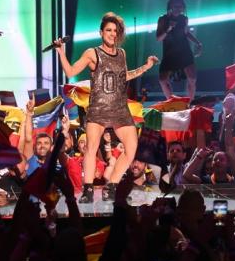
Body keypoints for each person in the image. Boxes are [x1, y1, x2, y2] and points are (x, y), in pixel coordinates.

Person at [55, 12, 158, 203]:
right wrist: (61, 52)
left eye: (115, 31)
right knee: (91, 148)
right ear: (101, 32)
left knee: (131, 148)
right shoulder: (92, 53)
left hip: (119, 109)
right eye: (108, 30)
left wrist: (145, 67)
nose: (112, 34)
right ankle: (87, 190)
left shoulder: (122, 53)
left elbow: (124, 77)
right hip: (98, 109)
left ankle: (111, 187)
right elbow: (70, 71)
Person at [156, 0, 202, 100]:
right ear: (171, 6)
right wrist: (168, 29)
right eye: (176, 6)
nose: (178, 9)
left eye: (180, 6)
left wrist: (198, 43)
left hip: (184, 51)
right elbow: (158, 38)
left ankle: (189, 103)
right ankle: (172, 102)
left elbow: (186, 33)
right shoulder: (163, 19)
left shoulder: (184, 19)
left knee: (192, 78)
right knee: (162, 80)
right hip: (169, 53)